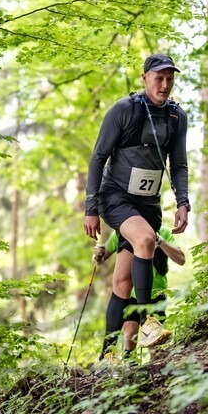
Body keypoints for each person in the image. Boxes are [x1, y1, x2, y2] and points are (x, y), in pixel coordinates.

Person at [84, 53, 191, 351]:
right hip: (115, 196)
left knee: (122, 283)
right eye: (159, 78)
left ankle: (107, 355)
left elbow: (179, 165)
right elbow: (98, 158)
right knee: (145, 240)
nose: (165, 84)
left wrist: (183, 202)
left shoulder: (176, 117)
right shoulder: (124, 111)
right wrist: (90, 207)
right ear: (144, 78)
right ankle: (148, 324)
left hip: (148, 205)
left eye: (170, 78)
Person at [93, 224, 186, 359]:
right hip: (131, 295)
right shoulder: (123, 231)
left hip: (156, 294)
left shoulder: (163, 231)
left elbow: (181, 259)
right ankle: (129, 366)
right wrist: (97, 254)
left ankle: (156, 372)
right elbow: (99, 260)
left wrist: (159, 241)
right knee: (130, 337)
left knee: (154, 345)